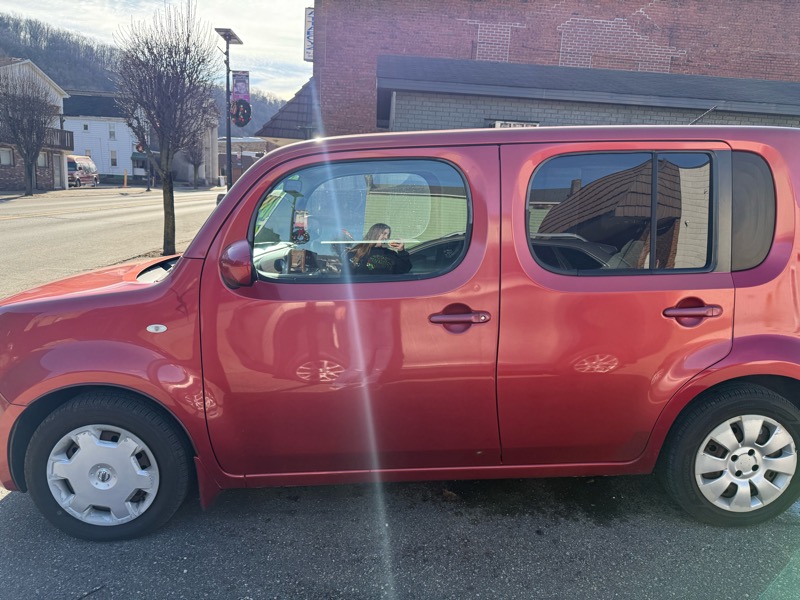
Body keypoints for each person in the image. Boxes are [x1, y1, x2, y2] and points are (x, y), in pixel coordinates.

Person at [345, 223, 412, 275]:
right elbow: (347, 276)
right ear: (375, 234)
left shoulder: (391, 254)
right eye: (384, 234)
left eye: (388, 235)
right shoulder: (357, 252)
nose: (386, 237)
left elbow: (403, 270)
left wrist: (401, 251)